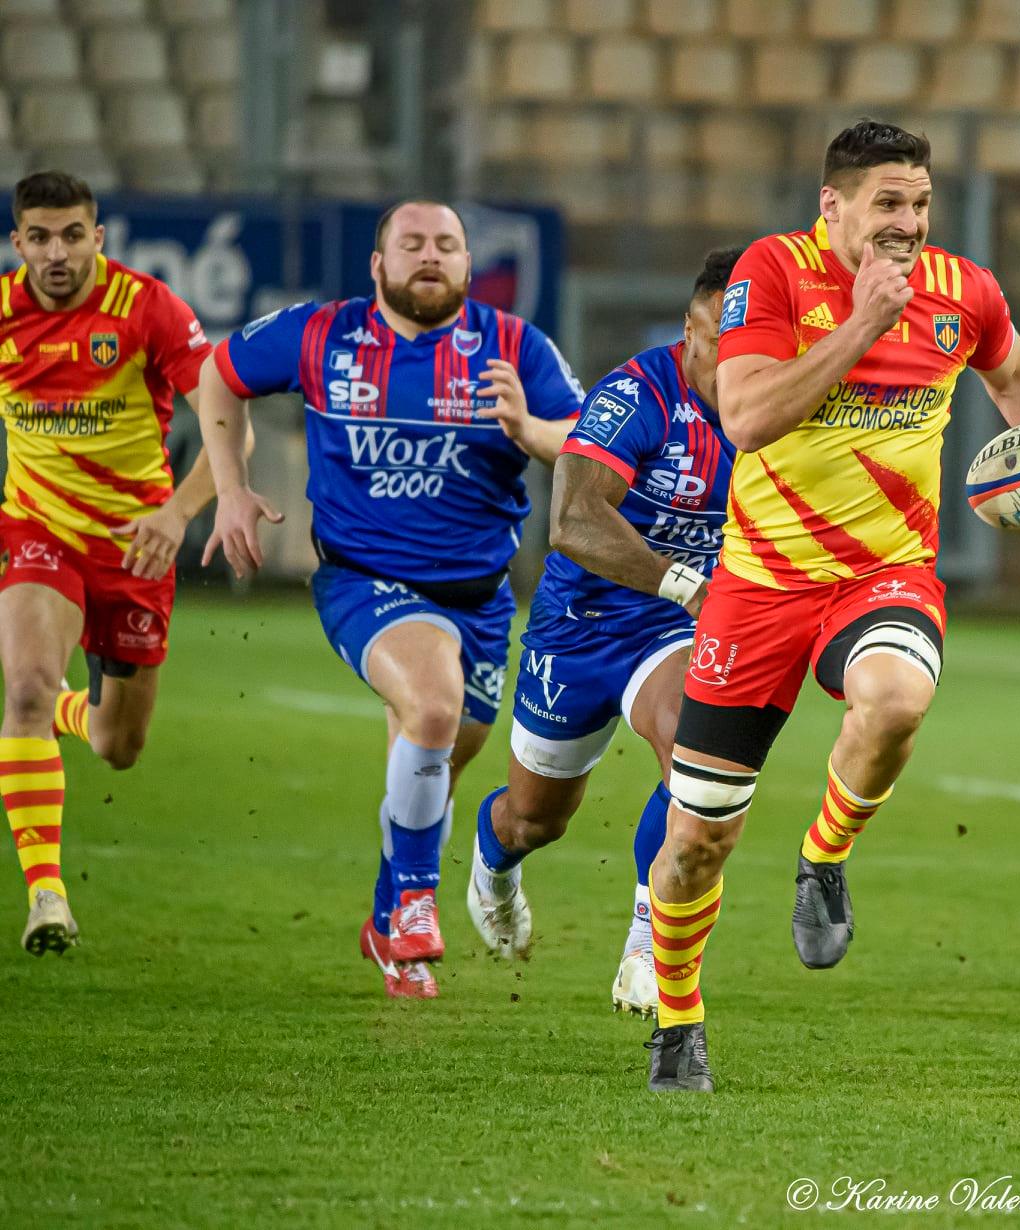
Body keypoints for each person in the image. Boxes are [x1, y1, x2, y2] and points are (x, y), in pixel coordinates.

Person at [643, 120, 1020, 1092]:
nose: (908, 224)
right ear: (834, 207)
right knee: (697, 842)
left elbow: (1015, 374)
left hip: (884, 574)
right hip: (759, 589)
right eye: (889, 204)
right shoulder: (770, 276)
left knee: (897, 697)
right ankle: (678, 1019)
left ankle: (824, 856)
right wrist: (860, 323)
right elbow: (749, 417)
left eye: (921, 205)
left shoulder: (962, 291)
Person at [197, 200, 584, 998]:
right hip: (362, 579)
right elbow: (217, 374)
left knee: (435, 756)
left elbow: (586, 449)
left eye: (447, 245)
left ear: (470, 266)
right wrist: (229, 491)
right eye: (411, 244)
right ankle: (413, 902)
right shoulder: (320, 335)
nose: (430, 257)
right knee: (434, 709)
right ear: (378, 265)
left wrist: (528, 429)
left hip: (479, 600)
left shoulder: (515, 348)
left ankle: (384, 923)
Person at [469, 247, 742, 1021]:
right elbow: (575, 521)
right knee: (536, 817)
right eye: (717, 340)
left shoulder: (779, 409)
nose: (733, 360)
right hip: (582, 623)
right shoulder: (637, 394)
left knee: (696, 745)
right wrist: (685, 581)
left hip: (674, 627)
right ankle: (494, 864)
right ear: (688, 335)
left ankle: (645, 945)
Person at [0, 170, 232, 954]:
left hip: (137, 545)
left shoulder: (146, 310)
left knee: (115, 746)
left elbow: (226, 421)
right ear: (18, 242)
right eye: (39, 236)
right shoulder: (3, 315)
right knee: (25, 689)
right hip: (38, 531)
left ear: (98, 237)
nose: (56, 252)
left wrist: (178, 510)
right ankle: (47, 898)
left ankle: (77, 710)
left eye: (72, 235)